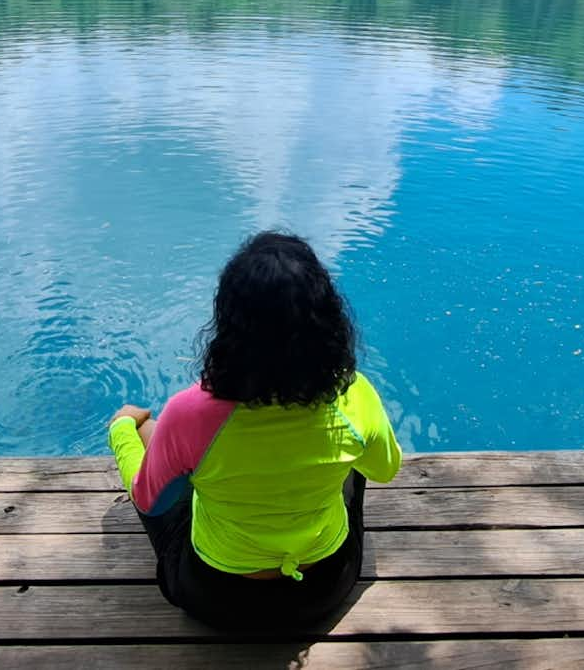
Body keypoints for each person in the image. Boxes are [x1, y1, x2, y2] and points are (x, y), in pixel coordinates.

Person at [106, 231, 402, 630]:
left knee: (171, 469)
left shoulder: (189, 413)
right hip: (324, 587)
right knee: (356, 463)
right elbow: (385, 469)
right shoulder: (354, 396)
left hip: (216, 597)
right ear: (327, 319)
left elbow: (148, 500)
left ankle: (141, 429)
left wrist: (122, 429)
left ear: (229, 322)